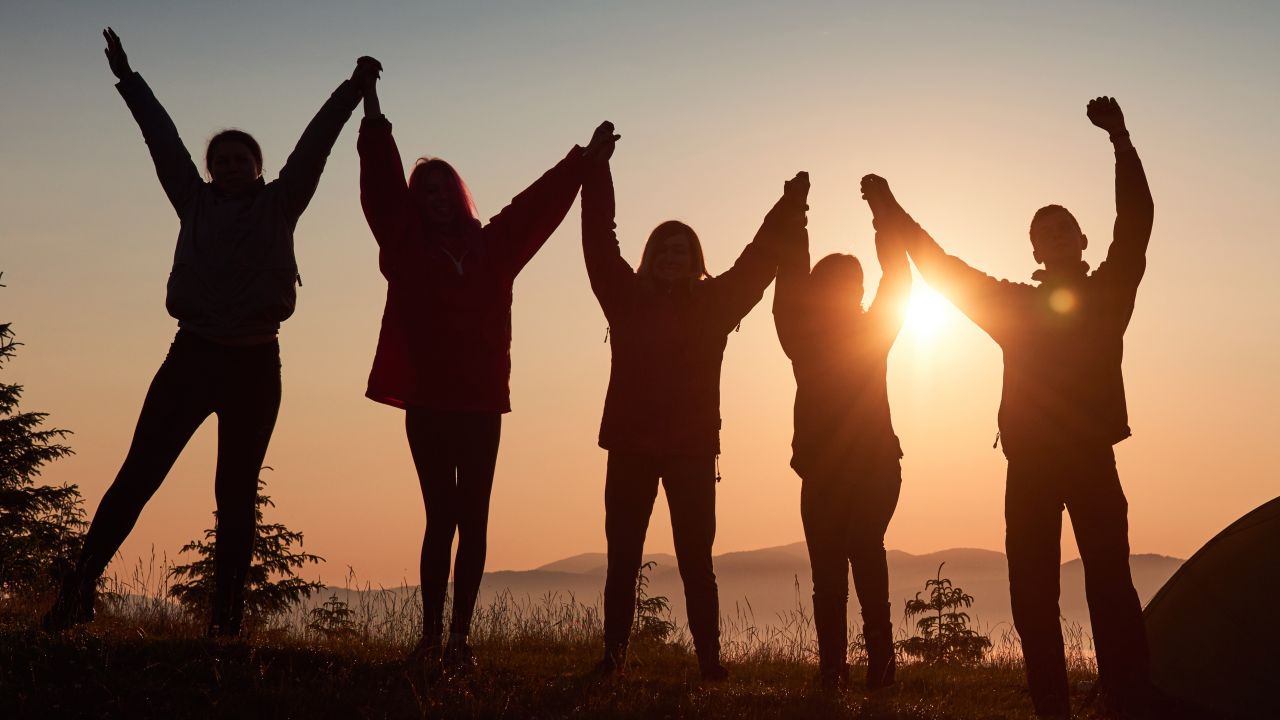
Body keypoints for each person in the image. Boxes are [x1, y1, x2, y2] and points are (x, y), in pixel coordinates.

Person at [42, 29, 371, 637]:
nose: (229, 167)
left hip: (254, 364)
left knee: (236, 496)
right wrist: (129, 79)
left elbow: (315, 146)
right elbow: (160, 139)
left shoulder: (282, 202)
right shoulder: (190, 200)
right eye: (220, 161)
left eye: (239, 160)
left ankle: (225, 624)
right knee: (137, 476)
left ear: (258, 167)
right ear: (209, 170)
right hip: (190, 359)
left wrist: (350, 92)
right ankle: (76, 593)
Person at [865, 97, 1154, 718]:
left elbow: (1137, 222)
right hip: (1029, 467)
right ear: (1033, 249)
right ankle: (1051, 704)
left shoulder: (1109, 292)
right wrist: (890, 210)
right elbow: (944, 269)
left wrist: (1121, 142)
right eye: (1039, 231)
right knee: (1030, 593)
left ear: (1080, 241)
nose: (1051, 236)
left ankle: (1126, 698)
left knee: (1110, 583)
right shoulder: (1016, 309)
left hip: (1091, 458)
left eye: (1061, 228)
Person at [355, 63, 614, 672]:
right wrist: (371, 108)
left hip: (479, 406)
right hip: (427, 402)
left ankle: (459, 642)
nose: (434, 199)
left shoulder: (493, 249)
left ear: (458, 195)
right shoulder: (404, 249)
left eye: (442, 190)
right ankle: (428, 636)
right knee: (439, 516)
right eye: (426, 193)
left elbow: (536, 206)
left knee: (473, 519)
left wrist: (584, 161)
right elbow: (381, 186)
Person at [581, 133, 800, 680]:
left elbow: (758, 260)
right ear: (649, 258)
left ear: (696, 260)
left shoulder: (715, 304)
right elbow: (598, 241)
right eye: (662, 250)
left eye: (681, 251)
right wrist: (596, 171)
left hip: (691, 451)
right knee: (622, 560)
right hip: (630, 446)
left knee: (697, 564)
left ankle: (710, 665)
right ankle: (613, 661)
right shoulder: (624, 297)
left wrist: (790, 204)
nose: (672, 258)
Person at [772, 173, 911, 688]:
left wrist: (881, 210)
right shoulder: (802, 339)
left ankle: (879, 666)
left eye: (852, 283)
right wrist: (796, 213)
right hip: (825, 472)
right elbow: (789, 281)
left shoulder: (872, 332)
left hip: (875, 467)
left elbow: (897, 280)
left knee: (862, 551)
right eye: (839, 283)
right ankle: (835, 669)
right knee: (829, 571)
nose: (848, 290)